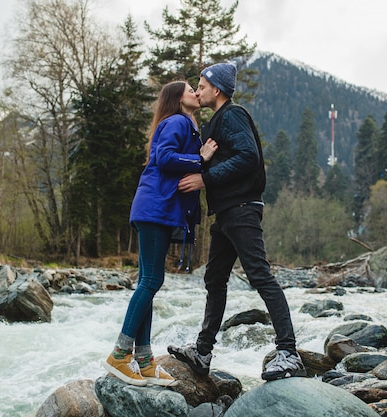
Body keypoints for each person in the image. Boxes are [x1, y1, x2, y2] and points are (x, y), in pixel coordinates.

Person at [168, 63, 307, 381]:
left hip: (242, 209)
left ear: (217, 90)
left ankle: (288, 352)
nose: (198, 90)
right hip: (227, 213)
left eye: (201, 86)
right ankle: (202, 352)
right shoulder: (216, 121)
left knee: (260, 276)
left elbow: (248, 156)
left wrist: (205, 178)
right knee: (214, 280)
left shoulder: (232, 114)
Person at [103, 81, 218, 387]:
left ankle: (144, 360)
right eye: (190, 88)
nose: (195, 91)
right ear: (176, 98)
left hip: (157, 210)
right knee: (152, 281)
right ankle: (119, 354)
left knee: (149, 283)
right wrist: (200, 159)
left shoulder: (187, 124)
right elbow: (164, 157)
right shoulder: (177, 121)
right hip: (155, 209)